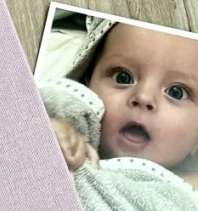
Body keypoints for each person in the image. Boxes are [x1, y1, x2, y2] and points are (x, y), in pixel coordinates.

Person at [49, 22, 198, 189]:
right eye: (123, 77)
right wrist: (50, 137)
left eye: (176, 92)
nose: (143, 97)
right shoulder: (67, 140)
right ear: (87, 85)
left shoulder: (190, 190)